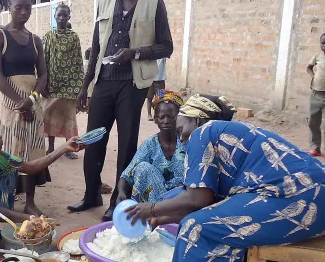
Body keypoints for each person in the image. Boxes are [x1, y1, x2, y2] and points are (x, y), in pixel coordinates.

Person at [125, 94, 325, 262]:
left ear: (196, 119)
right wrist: (160, 217)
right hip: (314, 197)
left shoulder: (203, 132)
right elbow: (211, 202)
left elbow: (198, 200)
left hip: (298, 196)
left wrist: (150, 208)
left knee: (195, 228)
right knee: (176, 200)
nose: (182, 141)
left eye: (181, 131)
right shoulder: (228, 135)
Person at [69, 0, 174, 221]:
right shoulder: (105, 1)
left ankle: (118, 199)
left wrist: (135, 52)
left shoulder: (154, 3)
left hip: (133, 83)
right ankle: (91, 192)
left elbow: (166, 46)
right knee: (94, 140)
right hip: (104, 81)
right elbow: (95, 47)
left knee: (126, 143)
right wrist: (85, 85)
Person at [0, 0, 49, 216]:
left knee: (32, 150)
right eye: (18, 7)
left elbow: (42, 74)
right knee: (10, 151)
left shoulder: (35, 40)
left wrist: (32, 100)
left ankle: (30, 202)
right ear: (8, 7)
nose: (23, 12)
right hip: (9, 103)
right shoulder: (0, 36)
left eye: (28, 8)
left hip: (32, 104)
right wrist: (20, 102)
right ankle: (7, 201)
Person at [116, 90, 185, 204]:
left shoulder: (187, 142)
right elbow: (128, 173)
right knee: (142, 167)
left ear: (179, 118)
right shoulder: (150, 144)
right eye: (162, 117)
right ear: (156, 119)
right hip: (155, 201)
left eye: (171, 117)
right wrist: (121, 192)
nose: (166, 121)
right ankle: (153, 214)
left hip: (182, 200)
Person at [41, 3, 84, 159]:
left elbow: (78, 61)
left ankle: (69, 148)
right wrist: (43, 83)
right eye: (59, 15)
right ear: (54, 16)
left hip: (69, 85)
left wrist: (79, 85)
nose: (61, 18)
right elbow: (43, 60)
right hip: (51, 85)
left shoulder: (74, 37)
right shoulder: (48, 36)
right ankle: (51, 148)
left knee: (68, 117)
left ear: (68, 17)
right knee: (50, 115)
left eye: (64, 15)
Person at [306, 33, 325, 157]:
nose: (324, 46)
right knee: (313, 121)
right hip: (316, 94)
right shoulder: (317, 56)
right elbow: (308, 68)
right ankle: (315, 147)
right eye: (322, 43)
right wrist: (313, 77)